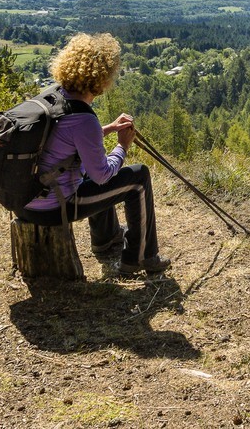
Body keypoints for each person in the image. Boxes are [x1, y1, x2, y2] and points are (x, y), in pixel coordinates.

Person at [17, 32, 171, 276]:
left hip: (27, 200)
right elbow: (103, 176)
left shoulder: (55, 97)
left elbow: (67, 140)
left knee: (91, 164)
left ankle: (106, 239)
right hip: (55, 206)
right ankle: (141, 257)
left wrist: (108, 128)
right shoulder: (83, 118)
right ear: (102, 78)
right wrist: (123, 145)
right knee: (138, 177)